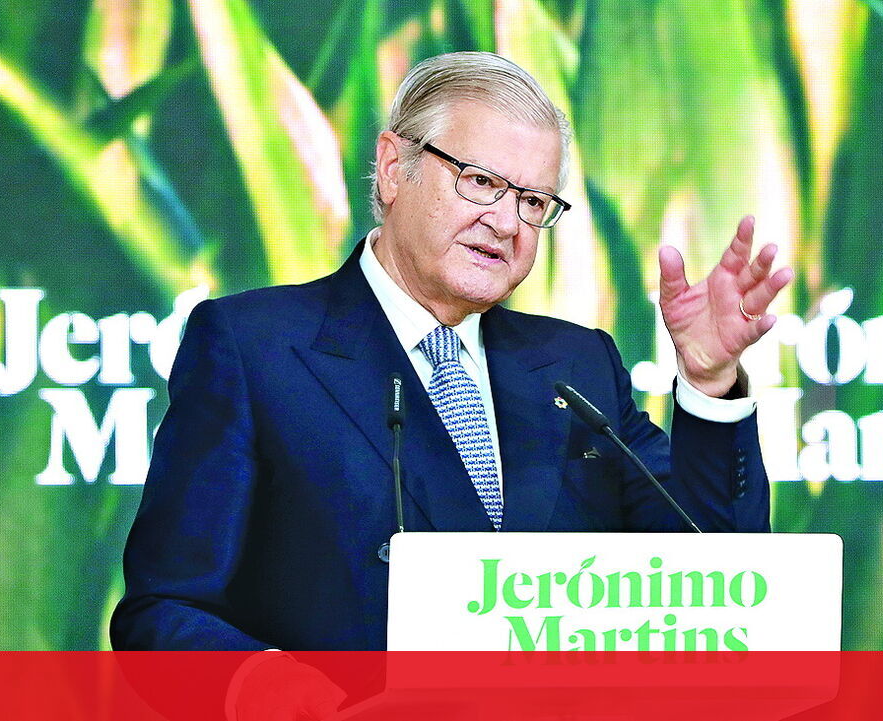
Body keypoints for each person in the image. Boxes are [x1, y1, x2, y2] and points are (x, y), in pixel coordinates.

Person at [111, 51, 791, 655]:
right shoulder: (255, 348)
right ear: (392, 169)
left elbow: (716, 575)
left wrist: (709, 381)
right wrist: (261, 684)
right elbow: (162, 610)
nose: (506, 221)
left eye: (533, 201)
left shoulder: (576, 365)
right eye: (481, 181)